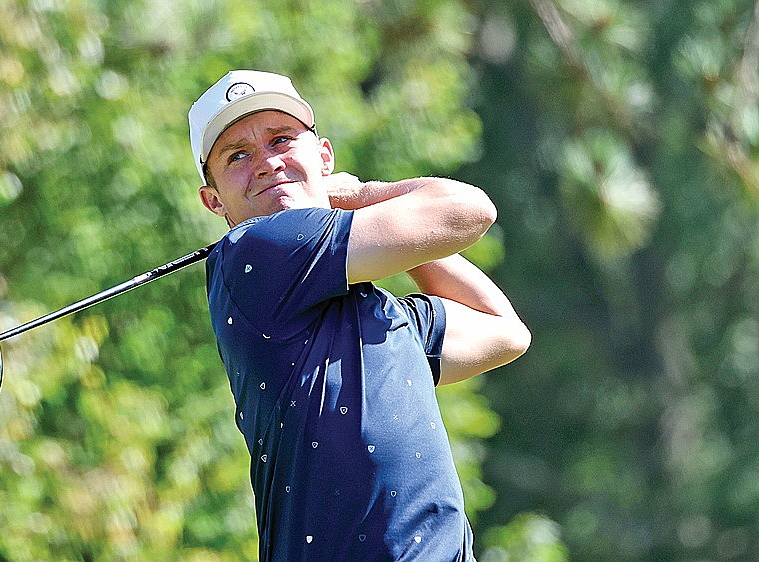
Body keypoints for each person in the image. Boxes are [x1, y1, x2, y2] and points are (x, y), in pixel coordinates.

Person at [188, 70, 531, 562]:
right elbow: (469, 209)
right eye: (237, 155)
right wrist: (365, 197)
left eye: (282, 140)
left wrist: (382, 225)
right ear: (213, 199)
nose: (265, 163)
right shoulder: (256, 253)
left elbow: (505, 331)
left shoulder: (388, 319)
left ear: (323, 156)